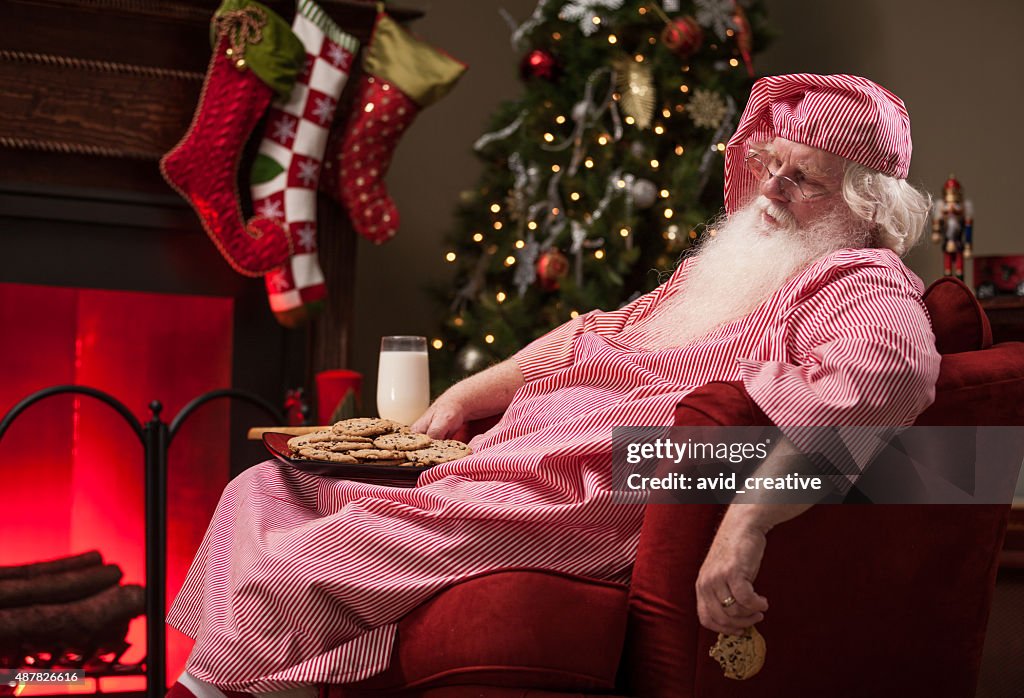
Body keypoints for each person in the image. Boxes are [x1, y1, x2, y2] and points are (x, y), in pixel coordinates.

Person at [166, 74, 940, 697]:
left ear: (864, 208)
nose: (769, 191)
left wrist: (747, 527)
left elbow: (883, 385)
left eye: (801, 180)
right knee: (259, 494)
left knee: (301, 564)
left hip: (582, 488)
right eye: (768, 165)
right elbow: (592, 335)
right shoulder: (728, 273)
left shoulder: (858, 280)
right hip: (511, 457)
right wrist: (472, 394)